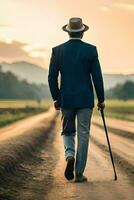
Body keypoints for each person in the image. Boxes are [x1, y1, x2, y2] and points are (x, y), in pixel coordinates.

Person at [48, 17, 105, 183]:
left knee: (67, 131)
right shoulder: (91, 50)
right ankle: (79, 173)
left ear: (68, 32)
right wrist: (101, 99)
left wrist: (56, 97)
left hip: (66, 99)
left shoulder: (57, 50)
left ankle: (69, 155)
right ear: (82, 33)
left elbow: (52, 77)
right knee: (84, 134)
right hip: (85, 99)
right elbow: (97, 77)